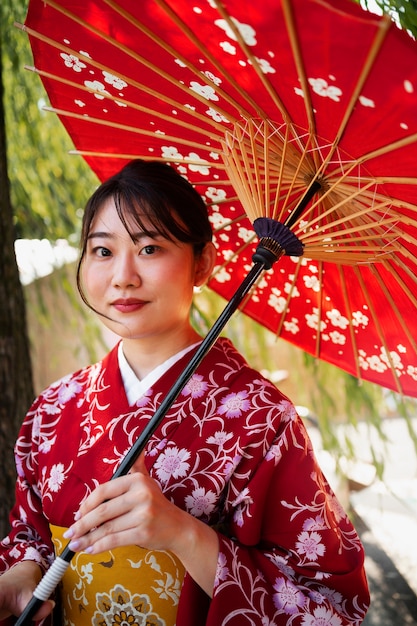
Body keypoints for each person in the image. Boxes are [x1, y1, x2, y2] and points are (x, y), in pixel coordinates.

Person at [0, 159, 369, 625]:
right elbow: (29, 534)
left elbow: (330, 603)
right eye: (102, 251)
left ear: (204, 263)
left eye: (150, 248)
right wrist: (22, 575)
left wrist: (182, 533)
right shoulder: (53, 408)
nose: (123, 277)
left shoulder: (263, 419)